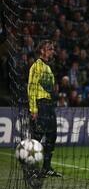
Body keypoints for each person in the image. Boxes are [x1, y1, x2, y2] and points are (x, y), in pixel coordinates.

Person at [27, 40, 62, 177]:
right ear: (42, 50)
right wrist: (33, 109)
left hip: (49, 105)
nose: (52, 51)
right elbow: (31, 88)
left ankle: (46, 167)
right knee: (37, 136)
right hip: (41, 105)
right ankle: (31, 169)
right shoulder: (36, 66)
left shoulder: (48, 67)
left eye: (53, 49)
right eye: (50, 48)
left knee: (52, 136)